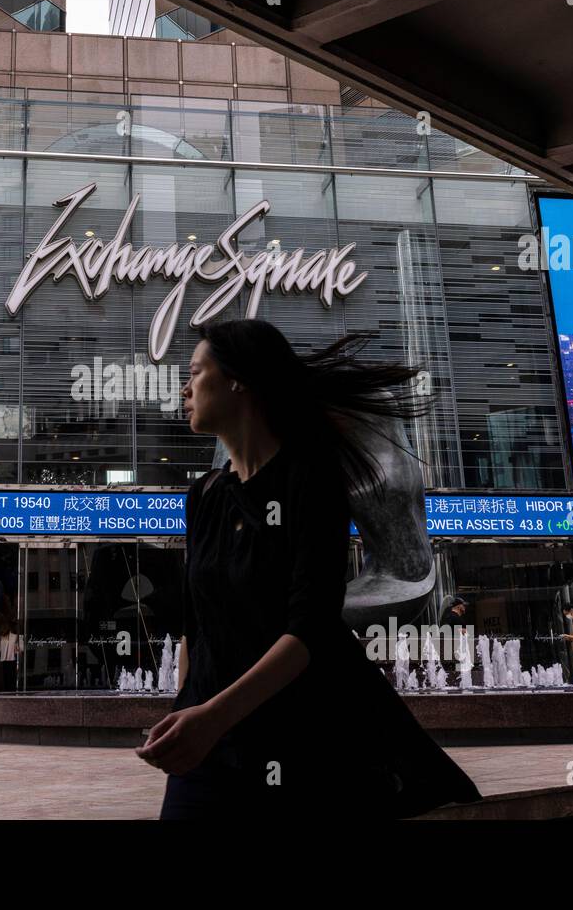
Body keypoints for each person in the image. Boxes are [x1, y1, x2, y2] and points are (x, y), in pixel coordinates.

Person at [137, 319, 483, 819]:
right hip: (212, 744)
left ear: (238, 380)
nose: (185, 389)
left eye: (195, 372)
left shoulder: (310, 482)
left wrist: (213, 717)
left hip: (297, 734)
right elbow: (198, 624)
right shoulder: (205, 495)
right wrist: (184, 713)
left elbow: (310, 629)